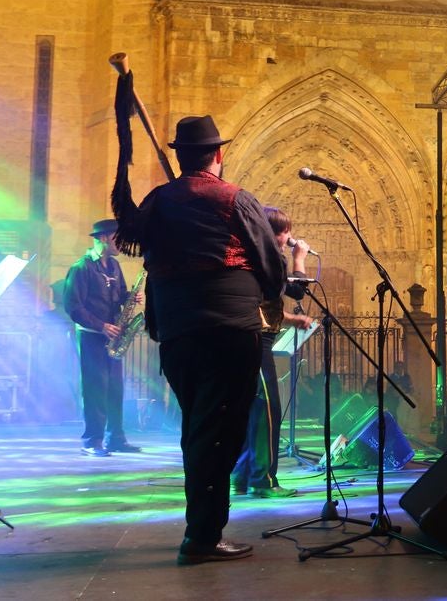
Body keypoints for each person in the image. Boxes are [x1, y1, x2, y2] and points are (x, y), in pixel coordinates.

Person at [112, 115, 286, 565]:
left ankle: (202, 530)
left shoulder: (158, 201)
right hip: (229, 330)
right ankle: (203, 537)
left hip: (177, 332)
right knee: (219, 433)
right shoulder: (235, 199)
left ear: (180, 155)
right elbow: (270, 265)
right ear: (219, 155)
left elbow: (144, 251)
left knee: (199, 427)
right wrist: (270, 299)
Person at [232, 207, 312, 499]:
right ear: (274, 233)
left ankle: (241, 475)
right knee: (267, 409)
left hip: (250, 337)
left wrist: (292, 320)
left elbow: (265, 304)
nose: (289, 237)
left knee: (251, 411)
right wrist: (299, 258)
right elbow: (298, 292)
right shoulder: (267, 256)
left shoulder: (252, 256)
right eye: (285, 231)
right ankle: (263, 481)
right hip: (256, 341)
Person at [63, 218, 142, 457]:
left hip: (114, 336)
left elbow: (117, 296)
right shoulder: (81, 267)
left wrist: (129, 298)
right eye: (119, 238)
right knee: (95, 388)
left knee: (115, 388)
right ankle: (91, 440)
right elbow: (73, 307)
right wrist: (102, 326)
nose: (123, 243)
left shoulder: (114, 267)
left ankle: (115, 438)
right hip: (91, 337)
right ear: (104, 238)